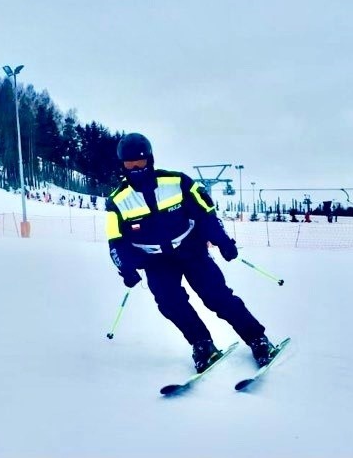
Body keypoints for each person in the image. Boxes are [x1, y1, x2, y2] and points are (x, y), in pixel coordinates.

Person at [105, 132, 278, 373]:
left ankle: (257, 339)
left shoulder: (177, 182)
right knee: (169, 303)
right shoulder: (118, 201)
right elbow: (116, 241)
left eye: (140, 161)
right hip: (156, 261)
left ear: (150, 160)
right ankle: (202, 343)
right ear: (122, 164)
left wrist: (223, 241)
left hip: (190, 249)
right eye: (129, 162)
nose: (135, 167)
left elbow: (205, 214)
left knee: (217, 297)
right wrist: (126, 267)